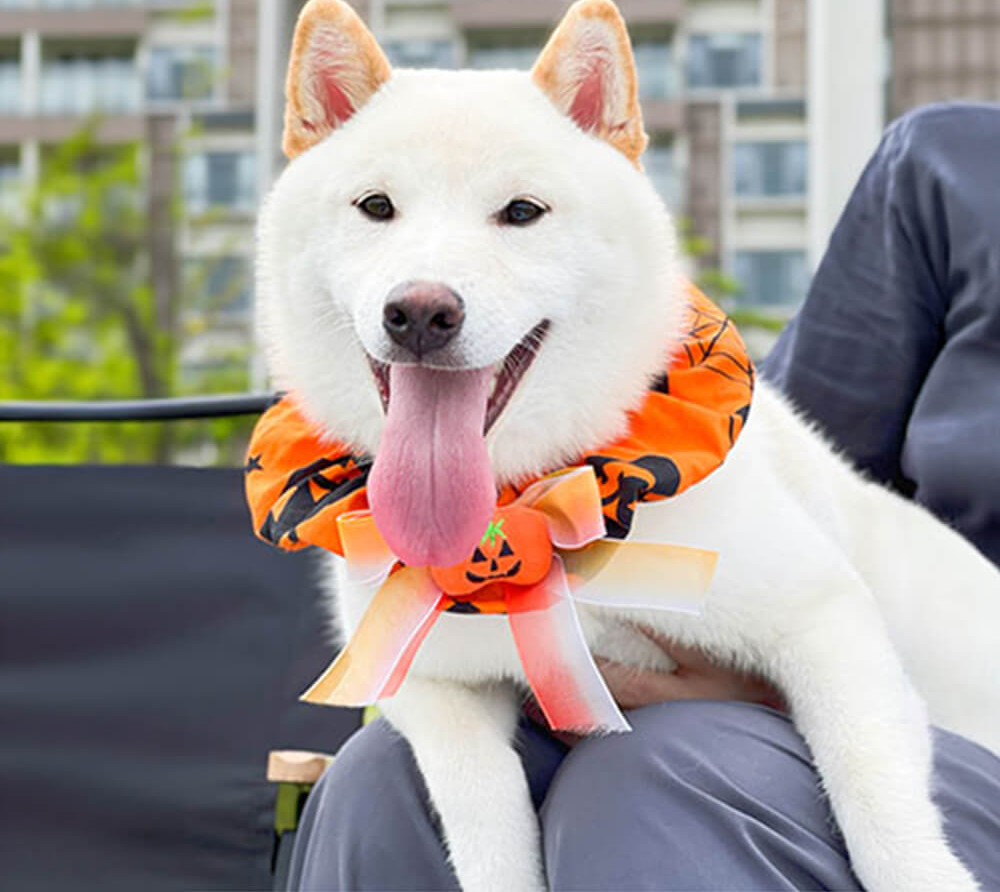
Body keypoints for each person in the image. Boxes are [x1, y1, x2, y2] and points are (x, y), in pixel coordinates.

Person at [286, 103, 1000, 891]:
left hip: (957, 726)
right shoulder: (950, 164)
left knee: (642, 777)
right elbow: (793, 470)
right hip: (847, 653)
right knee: (380, 783)